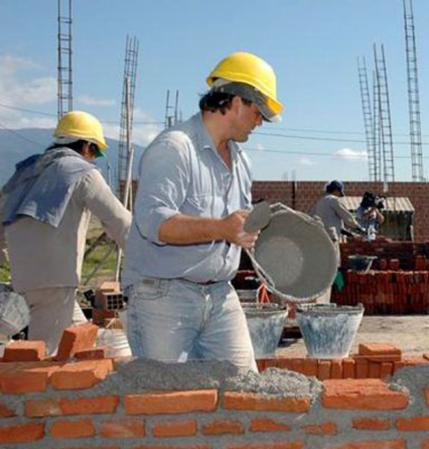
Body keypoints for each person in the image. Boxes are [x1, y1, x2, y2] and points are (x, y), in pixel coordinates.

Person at [122, 51, 283, 372]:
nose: (260, 121)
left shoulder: (241, 162)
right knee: (166, 401)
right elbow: (155, 224)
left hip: (221, 295)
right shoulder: (174, 149)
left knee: (244, 389)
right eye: (258, 111)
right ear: (237, 101)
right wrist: (222, 228)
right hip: (164, 297)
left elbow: (235, 226)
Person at [0, 111, 131, 354]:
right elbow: (119, 220)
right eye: (95, 152)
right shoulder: (81, 172)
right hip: (55, 281)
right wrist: (146, 260)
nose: (93, 159)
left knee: (82, 337)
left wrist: (11, 259)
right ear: (86, 145)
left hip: (24, 280)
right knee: (48, 358)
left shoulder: (27, 171)